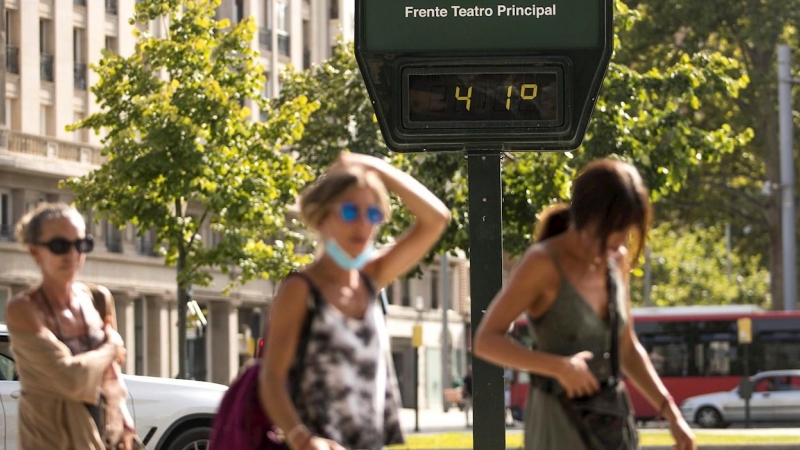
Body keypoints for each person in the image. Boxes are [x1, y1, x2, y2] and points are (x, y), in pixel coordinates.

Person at [473, 159, 696, 450]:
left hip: (610, 423)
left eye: (627, 229)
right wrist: (559, 367)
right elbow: (486, 340)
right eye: (615, 229)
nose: (621, 240)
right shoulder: (542, 262)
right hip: (557, 425)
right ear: (588, 217)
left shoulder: (616, 260)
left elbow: (627, 348)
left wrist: (671, 414)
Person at [259, 152, 450, 450]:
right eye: (350, 212)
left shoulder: (371, 278)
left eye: (373, 214)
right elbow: (270, 378)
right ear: (322, 219)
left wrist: (376, 168)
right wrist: (301, 438)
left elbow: (436, 218)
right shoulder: (300, 290)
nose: (363, 225)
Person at [6, 202, 134, 449]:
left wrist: (123, 414)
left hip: (98, 438)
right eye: (59, 246)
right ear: (35, 251)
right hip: (48, 440)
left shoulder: (96, 299)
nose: (72, 255)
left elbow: (112, 371)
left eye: (80, 244)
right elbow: (70, 378)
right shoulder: (23, 309)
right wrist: (111, 345)